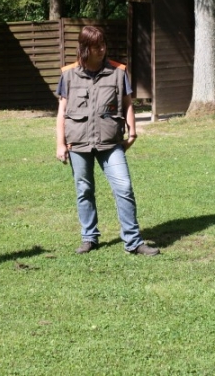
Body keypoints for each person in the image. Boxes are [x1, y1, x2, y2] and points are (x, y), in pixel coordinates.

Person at [55, 25, 159, 256]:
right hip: (78, 142)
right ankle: (89, 237)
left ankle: (133, 241)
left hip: (111, 142)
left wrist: (132, 133)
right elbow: (61, 111)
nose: (102, 49)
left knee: (124, 187)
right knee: (84, 190)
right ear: (85, 48)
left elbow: (128, 103)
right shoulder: (68, 74)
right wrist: (60, 144)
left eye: (103, 44)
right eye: (96, 46)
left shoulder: (118, 72)